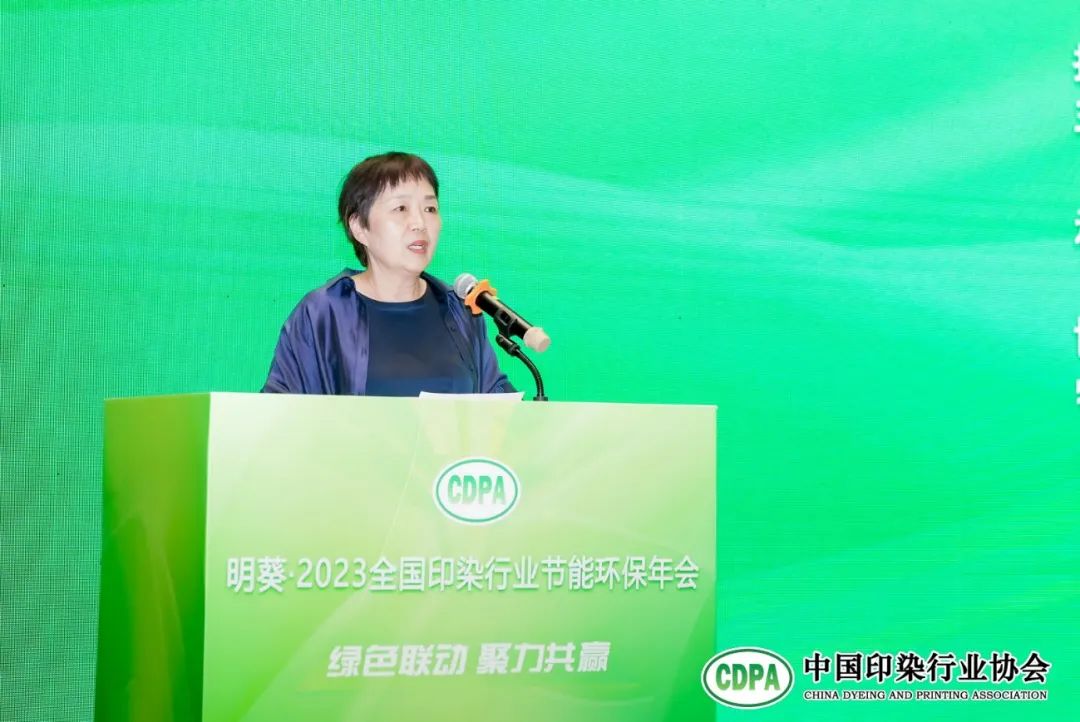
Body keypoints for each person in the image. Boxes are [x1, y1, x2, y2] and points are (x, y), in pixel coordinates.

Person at [262, 152, 514, 395]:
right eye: (401, 208)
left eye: (430, 209)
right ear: (359, 227)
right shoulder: (323, 312)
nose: (419, 223)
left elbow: (496, 399)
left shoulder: (458, 310)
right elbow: (280, 409)